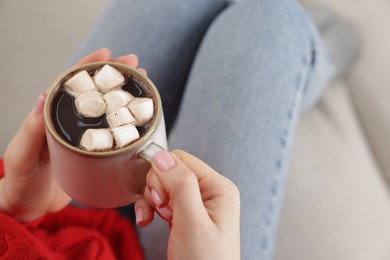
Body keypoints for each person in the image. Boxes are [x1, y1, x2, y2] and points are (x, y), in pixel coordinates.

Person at [0, 0, 358, 259]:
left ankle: (301, 50)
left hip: (50, 211)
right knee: (273, 22)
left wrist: (13, 203)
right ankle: (318, 54)